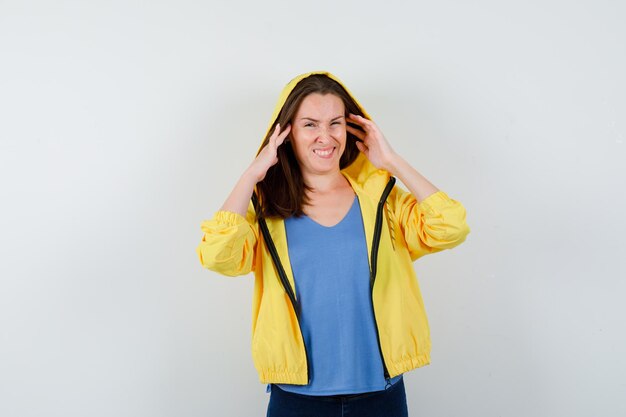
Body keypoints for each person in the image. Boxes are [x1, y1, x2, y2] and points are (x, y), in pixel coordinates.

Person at [196, 71, 470, 417]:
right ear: (286, 133)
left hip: (380, 394)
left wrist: (392, 161)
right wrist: (251, 176)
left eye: (335, 123)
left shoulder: (382, 201)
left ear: (351, 128)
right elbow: (217, 256)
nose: (325, 136)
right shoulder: (266, 210)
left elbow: (452, 226)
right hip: (295, 399)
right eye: (310, 124)